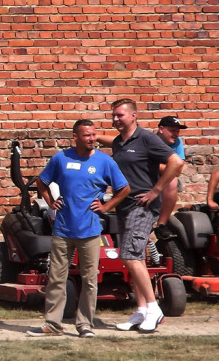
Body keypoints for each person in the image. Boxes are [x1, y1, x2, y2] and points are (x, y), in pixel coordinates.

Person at [27, 120, 130, 338]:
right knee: (56, 278)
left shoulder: (105, 161)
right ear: (75, 137)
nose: (92, 139)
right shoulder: (61, 159)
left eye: (94, 135)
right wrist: (51, 201)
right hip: (63, 229)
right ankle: (53, 325)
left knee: (89, 280)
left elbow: (124, 189)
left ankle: (84, 325)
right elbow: (41, 182)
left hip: (91, 231)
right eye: (87, 135)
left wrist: (106, 206)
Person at [107, 99, 184, 333]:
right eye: (113, 116)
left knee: (129, 256)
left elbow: (176, 162)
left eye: (120, 115)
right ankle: (141, 311)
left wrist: (156, 190)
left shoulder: (147, 138)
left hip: (143, 206)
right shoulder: (118, 143)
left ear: (133, 116)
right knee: (137, 259)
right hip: (125, 206)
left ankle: (154, 308)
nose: (115, 119)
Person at [154, 116, 188, 235]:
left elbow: (177, 171)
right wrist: (168, 168)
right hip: (145, 177)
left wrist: (155, 166)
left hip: (162, 177)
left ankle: (161, 225)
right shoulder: (149, 141)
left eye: (177, 131)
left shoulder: (178, 142)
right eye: (172, 131)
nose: (176, 134)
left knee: (172, 181)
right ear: (161, 129)